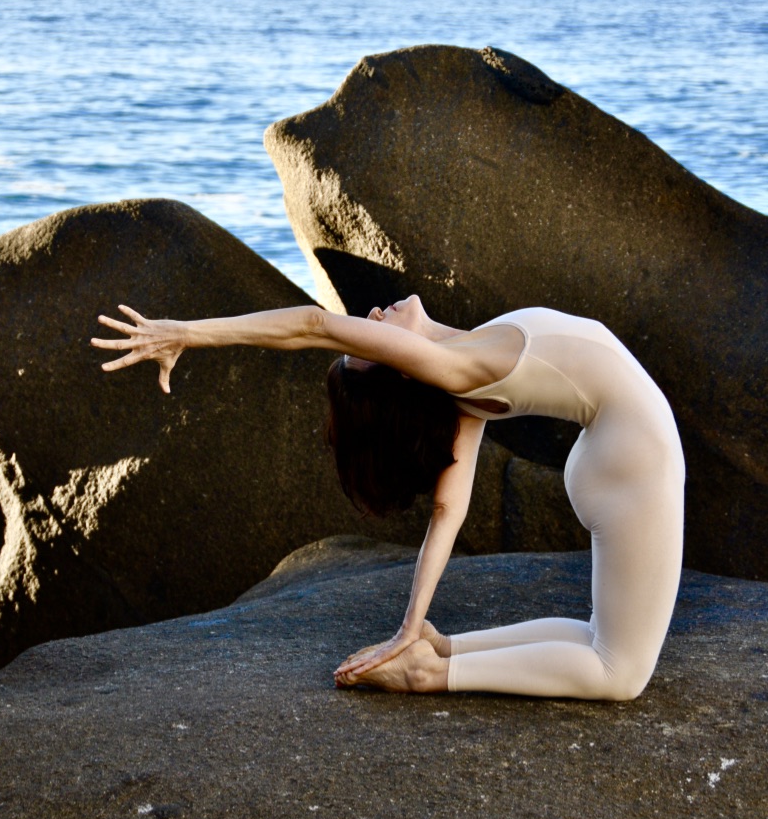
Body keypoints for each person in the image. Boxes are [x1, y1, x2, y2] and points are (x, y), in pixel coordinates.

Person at [91, 296, 684, 701]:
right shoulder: (456, 366)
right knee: (619, 673)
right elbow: (312, 325)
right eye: (371, 339)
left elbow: (449, 512)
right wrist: (186, 334)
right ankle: (431, 674)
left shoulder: (464, 378)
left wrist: (412, 623)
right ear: (403, 367)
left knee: (599, 638)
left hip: (617, 452)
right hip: (631, 458)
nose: (371, 316)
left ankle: (436, 649)